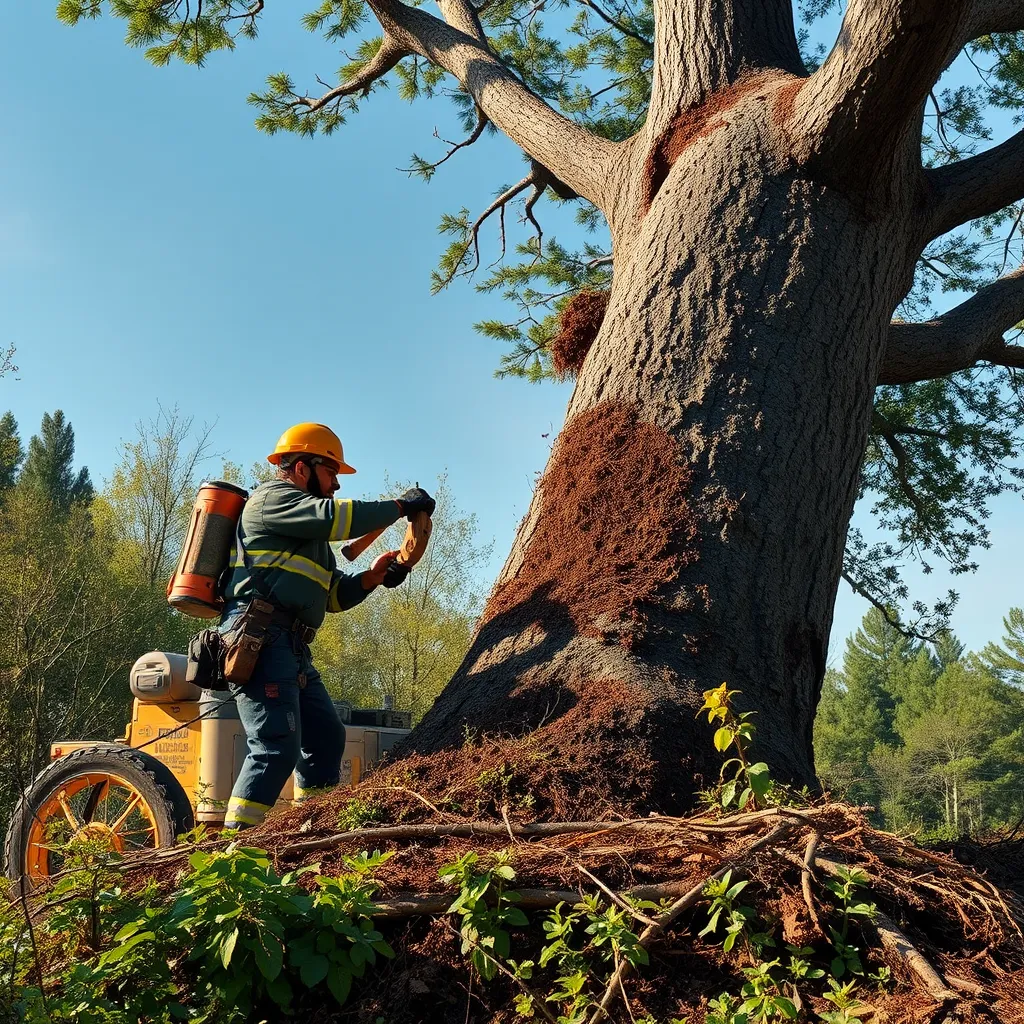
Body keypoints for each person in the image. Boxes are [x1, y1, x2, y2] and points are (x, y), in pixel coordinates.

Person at [218, 422, 434, 831]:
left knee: (326, 738)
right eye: (331, 471)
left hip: (290, 645)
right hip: (259, 636)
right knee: (275, 747)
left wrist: (371, 578)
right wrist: (399, 506)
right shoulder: (272, 499)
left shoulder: (311, 540)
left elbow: (331, 598)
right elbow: (337, 519)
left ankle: (308, 832)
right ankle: (232, 852)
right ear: (302, 468)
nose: (336, 483)